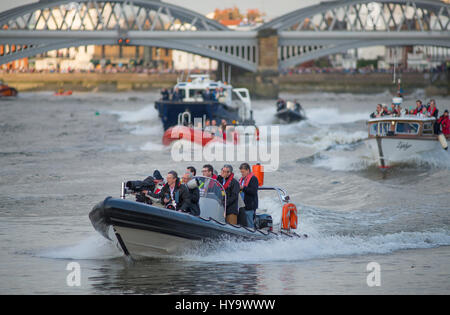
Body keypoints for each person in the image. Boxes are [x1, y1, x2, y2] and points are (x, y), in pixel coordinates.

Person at [238, 163, 259, 228]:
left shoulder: (253, 179)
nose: (242, 174)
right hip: (242, 205)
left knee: (249, 223)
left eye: (243, 172)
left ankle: (252, 236)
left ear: (248, 170)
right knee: (242, 223)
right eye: (241, 172)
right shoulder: (241, 179)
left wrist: (243, 188)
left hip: (250, 205)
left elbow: (253, 191)